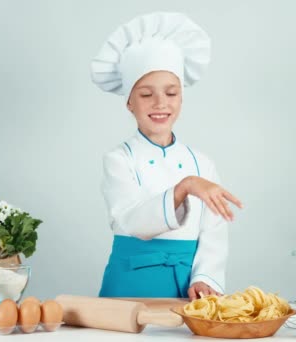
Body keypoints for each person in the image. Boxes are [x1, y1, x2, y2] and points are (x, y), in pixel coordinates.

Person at [91, 12, 243, 301]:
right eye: (146, 94)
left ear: (181, 98)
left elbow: (214, 233)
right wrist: (185, 186)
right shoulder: (119, 159)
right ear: (129, 102)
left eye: (171, 93)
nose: (160, 103)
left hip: (187, 287)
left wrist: (204, 278)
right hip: (130, 285)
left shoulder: (203, 163)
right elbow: (134, 221)